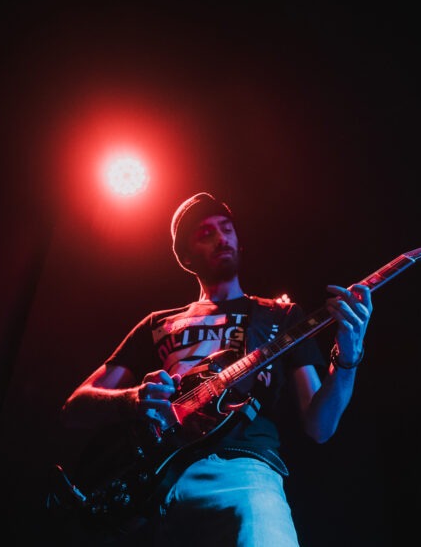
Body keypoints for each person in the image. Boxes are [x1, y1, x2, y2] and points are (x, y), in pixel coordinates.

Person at [58, 192, 373, 547]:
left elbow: (320, 426)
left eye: (227, 228)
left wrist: (349, 354)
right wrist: (133, 400)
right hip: (157, 486)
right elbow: (75, 408)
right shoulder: (157, 324)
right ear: (186, 257)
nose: (222, 238)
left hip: (244, 470)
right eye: (206, 233)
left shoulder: (280, 316)